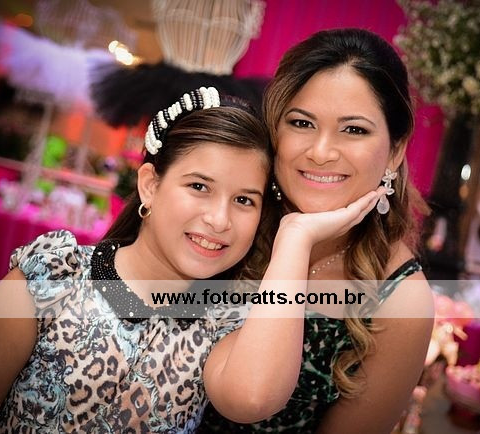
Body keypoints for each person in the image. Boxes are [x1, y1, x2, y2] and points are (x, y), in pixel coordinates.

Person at [0, 86, 385, 433]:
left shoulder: (226, 321)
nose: (219, 219)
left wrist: (295, 238)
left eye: (244, 200)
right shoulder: (54, 274)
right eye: (199, 187)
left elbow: (254, 399)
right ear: (150, 185)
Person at [201, 29, 434, 433]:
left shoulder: (401, 300)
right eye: (302, 122)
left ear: (395, 151)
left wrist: (296, 236)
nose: (321, 152)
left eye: (354, 129)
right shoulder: (227, 217)